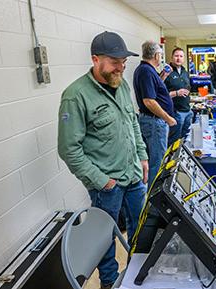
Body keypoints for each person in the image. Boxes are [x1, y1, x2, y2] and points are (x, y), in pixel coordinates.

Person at [57, 31, 149, 289]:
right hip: (107, 184)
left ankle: (136, 274)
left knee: (141, 226)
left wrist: (142, 157)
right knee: (105, 239)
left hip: (132, 176)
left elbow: (132, 123)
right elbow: (68, 149)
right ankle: (109, 282)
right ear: (95, 60)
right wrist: (102, 181)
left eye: (123, 62)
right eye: (114, 61)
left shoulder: (122, 84)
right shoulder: (75, 95)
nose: (120, 67)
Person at [133, 41, 176, 189]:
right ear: (157, 55)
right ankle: (155, 201)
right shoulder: (146, 71)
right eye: (161, 55)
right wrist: (168, 118)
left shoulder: (148, 71)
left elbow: (154, 92)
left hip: (154, 122)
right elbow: (149, 101)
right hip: (154, 123)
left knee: (156, 160)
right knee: (157, 163)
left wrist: (163, 76)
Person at [164, 47, 192, 146]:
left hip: (188, 111)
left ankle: (181, 160)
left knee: (184, 140)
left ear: (184, 58)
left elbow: (188, 86)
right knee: (174, 141)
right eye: (176, 56)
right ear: (171, 58)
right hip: (175, 113)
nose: (178, 58)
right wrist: (176, 93)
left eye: (181, 56)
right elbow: (160, 95)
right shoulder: (166, 72)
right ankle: (171, 161)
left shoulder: (185, 72)